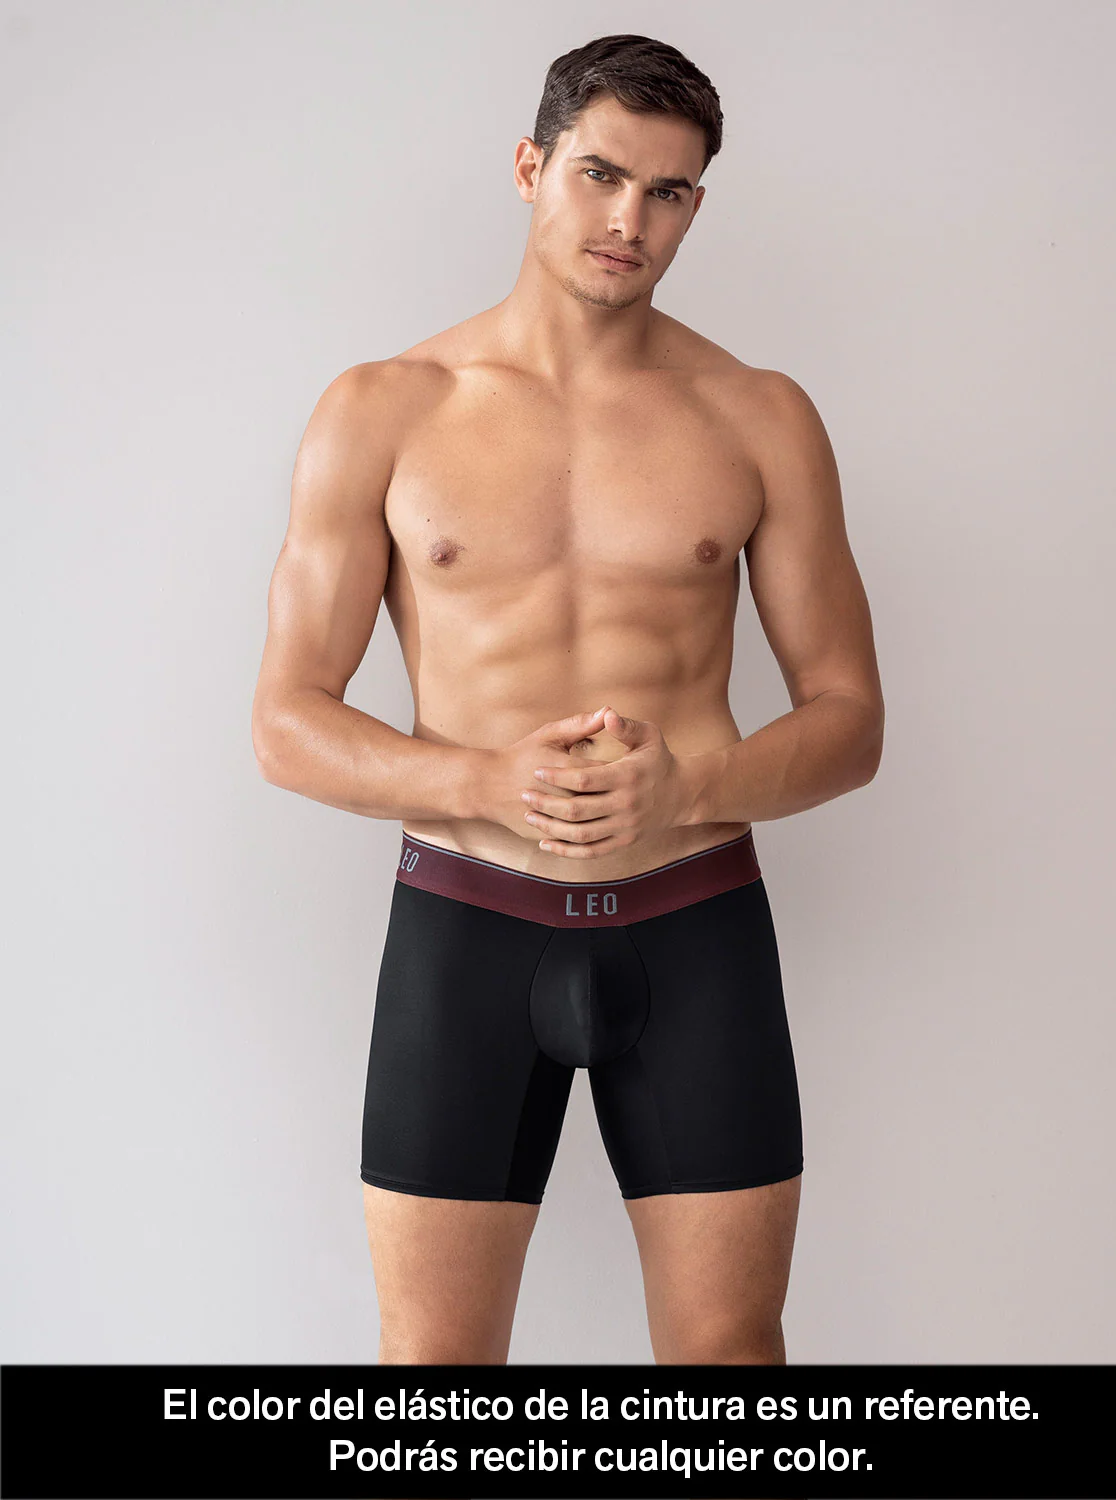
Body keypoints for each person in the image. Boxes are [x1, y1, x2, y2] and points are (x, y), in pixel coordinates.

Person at [251, 32, 884, 1366]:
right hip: (465, 926)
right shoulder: (385, 409)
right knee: (435, 1375)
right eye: (601, 174)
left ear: (696, 205)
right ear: (531, 167)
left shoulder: (759, 416)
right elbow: (287, 723)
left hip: (694, 920)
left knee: (730, 1364)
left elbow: (849, 718)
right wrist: (483, 780)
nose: (628, 220)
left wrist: (695, 783)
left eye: (668, 192)